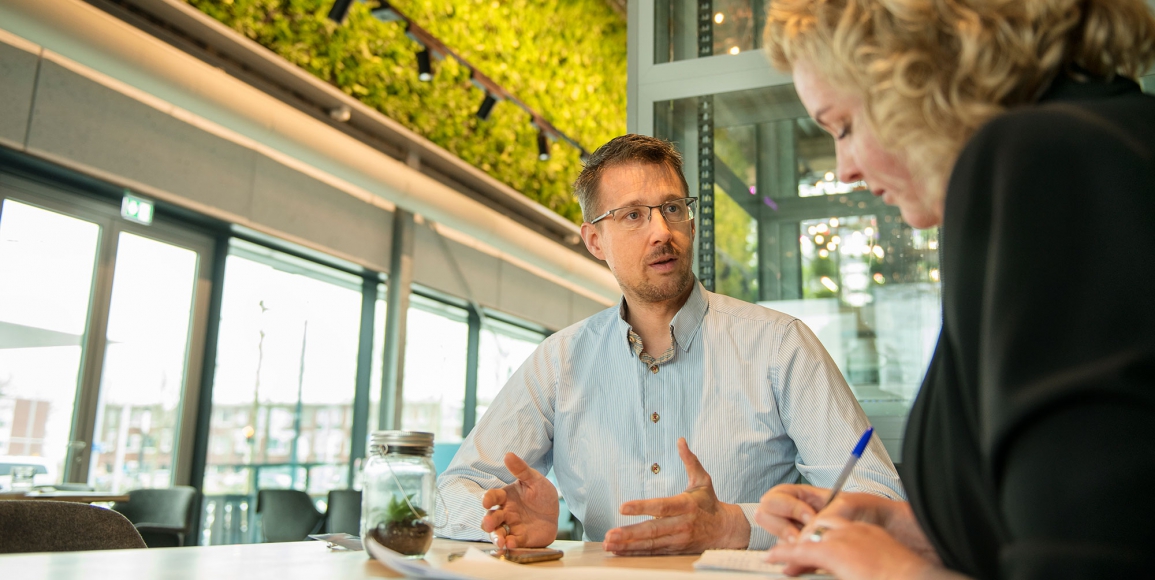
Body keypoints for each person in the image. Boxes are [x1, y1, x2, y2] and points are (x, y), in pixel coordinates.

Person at [753, 1, 1155, 578]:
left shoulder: (1044, 160)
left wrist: (889, 572)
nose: (843, 168)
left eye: (843, 126)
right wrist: (913, 531)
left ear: (919, 79)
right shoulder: (1107, 137)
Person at [436, 134, 905, 554]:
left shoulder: (781, 344)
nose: (662, 231)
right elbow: (455, 487)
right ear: (595, 240)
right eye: (634, 215)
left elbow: (878, 500)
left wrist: (736, 527)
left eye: (673, 208)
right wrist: (505, 523)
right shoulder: (559, 362)